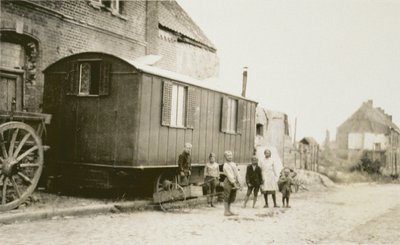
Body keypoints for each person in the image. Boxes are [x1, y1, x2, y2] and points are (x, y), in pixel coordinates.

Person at [222, 150, 241, 216]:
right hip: (228, 181)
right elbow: (230, 175)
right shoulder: (225, 165)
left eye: (230, 155)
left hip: (234, 181)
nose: (229, 157)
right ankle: (226, 211)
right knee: (227, 196)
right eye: (228, 156)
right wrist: (234, 183)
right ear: (225, 157)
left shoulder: (233, 164)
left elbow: (237, 173)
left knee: (232, 196)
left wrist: (239, 181)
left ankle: (229, 210)